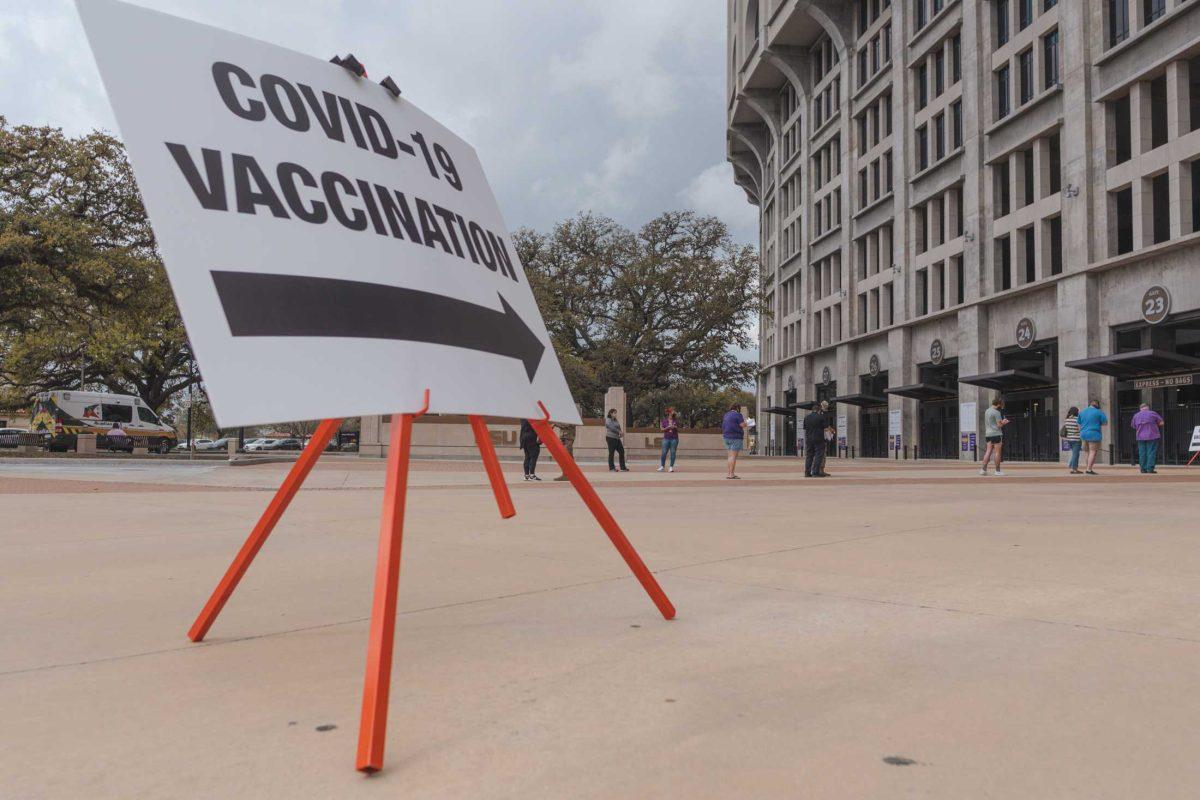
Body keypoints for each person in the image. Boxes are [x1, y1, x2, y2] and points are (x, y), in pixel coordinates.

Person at [1130, 402, 1165, 474]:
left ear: (1140, 408)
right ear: (1148, 408)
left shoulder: (1136, 415)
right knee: (1151, 452)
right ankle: (1150, 469)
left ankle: (1143, 469)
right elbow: (1161, 423)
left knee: (1142, 453)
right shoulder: (1152, 413)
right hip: (1152, 435)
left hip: (1140, 436)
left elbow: (1133, 426)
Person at [1076, 399, 1108, 475]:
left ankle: (1087, 467)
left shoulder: (1082, 412)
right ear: (1097, 405)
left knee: (1087, 452)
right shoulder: (1099, 412)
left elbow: (1078, 423)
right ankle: (1089, 469)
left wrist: (1081, 431)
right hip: (1094, 433)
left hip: (1083, 434)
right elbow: (1105, 423)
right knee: (1093, 452)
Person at [979, 397, 1009, 476]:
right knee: (997, 453)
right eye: (1001, 405)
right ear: (998, 404)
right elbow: (999, 425)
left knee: (988, 451)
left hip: (988, 434)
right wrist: (1004, 422)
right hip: (996, 434)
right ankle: (997, 471)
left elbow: (991, 423)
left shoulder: (987, 411)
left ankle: (983, 470)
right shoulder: (996, 412)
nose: (1001, 406)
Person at [802, 402, 831, 478]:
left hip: (809, 439)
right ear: (819, 410)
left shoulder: (806, 417)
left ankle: (807, 472)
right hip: (819, 439)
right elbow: (826, 428)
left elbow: (805, 428)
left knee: (809, 456)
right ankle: (815, 472)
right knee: (818, 455)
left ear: (812, 410)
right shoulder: (821, 417)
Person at [721, 403, 747, 479]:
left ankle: (729, 473)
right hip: (736, 437)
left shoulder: (726, 414)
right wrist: (747, 423)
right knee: (733, 457)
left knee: (729, 456)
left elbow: (723, 425)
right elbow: (742, 425)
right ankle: (731, 474)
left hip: (726, 437)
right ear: (738, 408)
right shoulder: (738, 415)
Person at [1062, 406, 1082, 474]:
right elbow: (1080, 429)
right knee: (1076, 454)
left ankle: (1072, 466)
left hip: (1069, 439)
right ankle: (1074, 469)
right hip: (1076, 439)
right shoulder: (1077, 419)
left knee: (1074, 453)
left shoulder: (1067, 419)